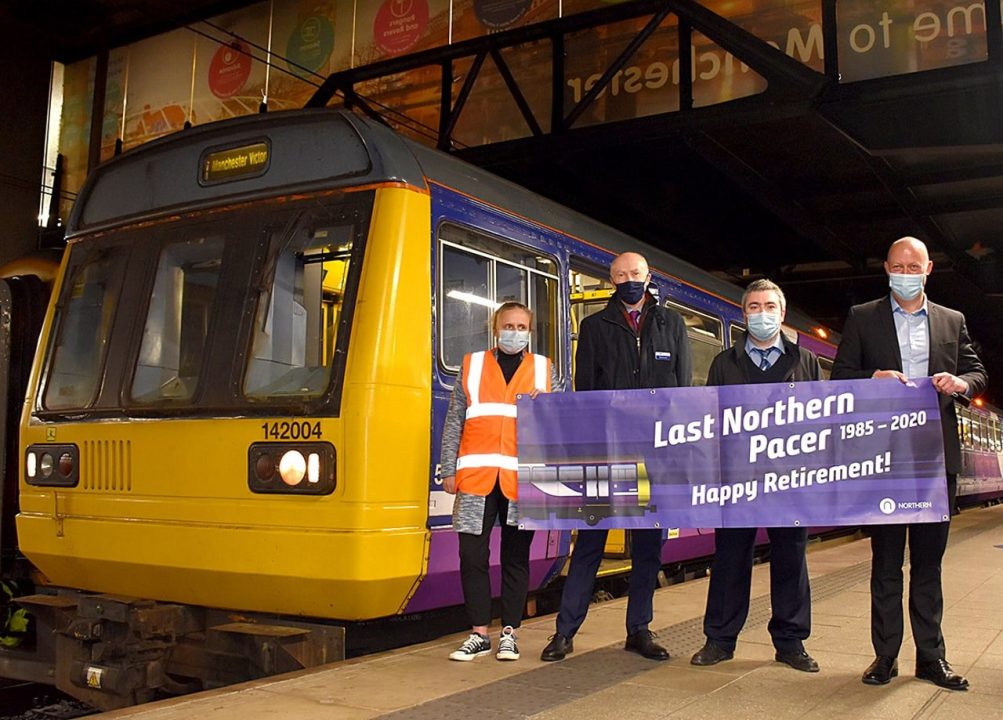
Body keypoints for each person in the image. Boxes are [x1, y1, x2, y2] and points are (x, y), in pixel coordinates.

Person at [832, 236, 987, 691]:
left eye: (912, 264)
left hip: (935, 460)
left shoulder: (951, 320)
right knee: (884, 563)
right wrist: (871, 379)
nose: (905, 271)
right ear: (885, 268)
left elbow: (977, 371)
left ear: (928, 269)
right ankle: (884, 657)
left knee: (928, 565)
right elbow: (840, 378)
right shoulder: (863, 318)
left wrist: (959, 381)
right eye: (897, 264)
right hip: (883, 458)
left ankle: (931, 658)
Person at [540, 251, 691, 662]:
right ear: (611, 279)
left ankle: (639, 630)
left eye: (636, 274)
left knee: (648, 549)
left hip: (656, 457)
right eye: (621, 274)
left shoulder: (671, 325)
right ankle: (565, 632)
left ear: (648, 276)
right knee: (589, 544)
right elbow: (586, 394)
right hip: (606, 455)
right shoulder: (594, 327)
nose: (629, 280)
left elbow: (682, 396)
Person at [690, 279, 820, 673]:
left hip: (789, 478)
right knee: (730, 558)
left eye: (769, 307)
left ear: (781, 314)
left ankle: (791, 642)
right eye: (753, 307)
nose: (761, 314)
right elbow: (710, 423)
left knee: (790, 558)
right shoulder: (724, 363)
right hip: (736, 479)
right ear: (743, 314)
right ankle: (720, 639)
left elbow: (818, 419)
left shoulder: (805, 361)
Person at [440, 301, 559, 662]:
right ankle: (478, 633)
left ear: (530, 332)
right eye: (509, 325)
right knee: (471, 555)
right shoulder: (472, 365)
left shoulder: (543, 371)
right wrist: (448, 469)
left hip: (522, 480)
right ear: (495, 328)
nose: (515, 332)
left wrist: (546, 406)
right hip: (475, 478)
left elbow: (555, 429)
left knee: (515, 557)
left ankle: (510, 632)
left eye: (522, 327)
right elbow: (454, 421)